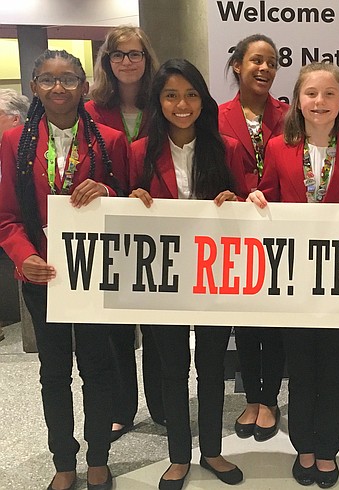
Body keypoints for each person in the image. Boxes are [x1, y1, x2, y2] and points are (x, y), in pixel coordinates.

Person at [0, 49, 129, 490]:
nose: (59, 88)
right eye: (48, 79)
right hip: (41, 274)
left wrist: (107, 189)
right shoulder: (14, 142)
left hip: (92, 275)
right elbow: (7, 216)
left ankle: (98, 455)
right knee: (53, 371)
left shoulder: (109, 140)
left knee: (97, 366)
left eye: (69, 79)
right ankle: (63, 460)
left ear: (84, 86)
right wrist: (23, 256)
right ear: (33, 86)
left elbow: (132, 202)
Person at [247, 62, 339, 488]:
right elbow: (268, 193)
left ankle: (327, 448)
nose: (319, 102)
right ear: (297, 101)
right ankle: (303, 444)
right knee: (300, 368)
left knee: (336, 367)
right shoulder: (280, 147)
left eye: (329, 95)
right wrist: (255, 198)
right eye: (311, 94)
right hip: (295, 281)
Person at [129, 58, 245, 490]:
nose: (182, 104)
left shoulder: (227, 147)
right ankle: (179, 454)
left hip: (215, 277)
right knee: (171, 367)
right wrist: (131, 197)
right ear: (158, 102)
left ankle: (212, 450)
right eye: (171, 95)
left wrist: (238, 199)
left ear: (203, 99)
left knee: (212, 366)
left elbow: (253, 203)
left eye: (191, 94)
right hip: (161, 278)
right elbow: (120, 211)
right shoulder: (139, 151)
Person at [86, 23, 164, 440]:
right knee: (115, 322)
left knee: (157, 321)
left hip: (157, 223)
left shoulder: (163, 101)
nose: (128, 62)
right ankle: (120, 406)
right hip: (110, 225)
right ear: (107, 62)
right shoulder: (93, 109)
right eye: (119, 55)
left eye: (135, 54)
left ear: (146, 58)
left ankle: (164, 404)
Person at [218, 34, 289, 442]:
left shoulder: (290, 113)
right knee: (244, 320)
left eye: (272, 63)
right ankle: (251, 397)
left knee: (275, 320)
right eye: (256, 61)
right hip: (236, 229)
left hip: (279, 227)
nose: (264, 69)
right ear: (237, 66)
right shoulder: (216, 114)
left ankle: (272, 399)